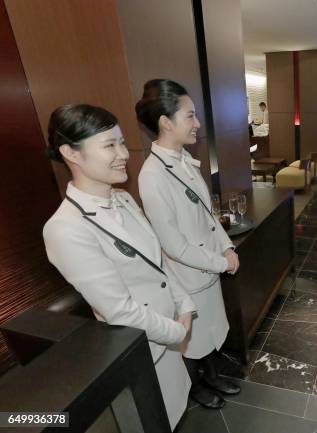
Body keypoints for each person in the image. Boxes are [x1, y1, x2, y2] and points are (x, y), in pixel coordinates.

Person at [43, 104, 194, 429]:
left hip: (169, 341)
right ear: (71, 153)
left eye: (122, 142)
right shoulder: (65, 227)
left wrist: (184, 303)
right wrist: (178, 331)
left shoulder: (123, 199)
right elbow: (119, 311)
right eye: (110, 145)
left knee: (177, 416)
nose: (123, 153)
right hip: (143, 350)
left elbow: (159, 263)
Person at [136, 79, 241, 410]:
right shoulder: (152, 176)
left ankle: (211, 375)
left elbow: (210, 215)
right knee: (191, 338)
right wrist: (221, 262)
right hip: (188, 273)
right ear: (166, 122)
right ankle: (196, 385)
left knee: (208, 329)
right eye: (190, 116)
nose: (197, 124)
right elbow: (174, 245)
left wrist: (226, 247)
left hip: (207, 264)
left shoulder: (185, 160)